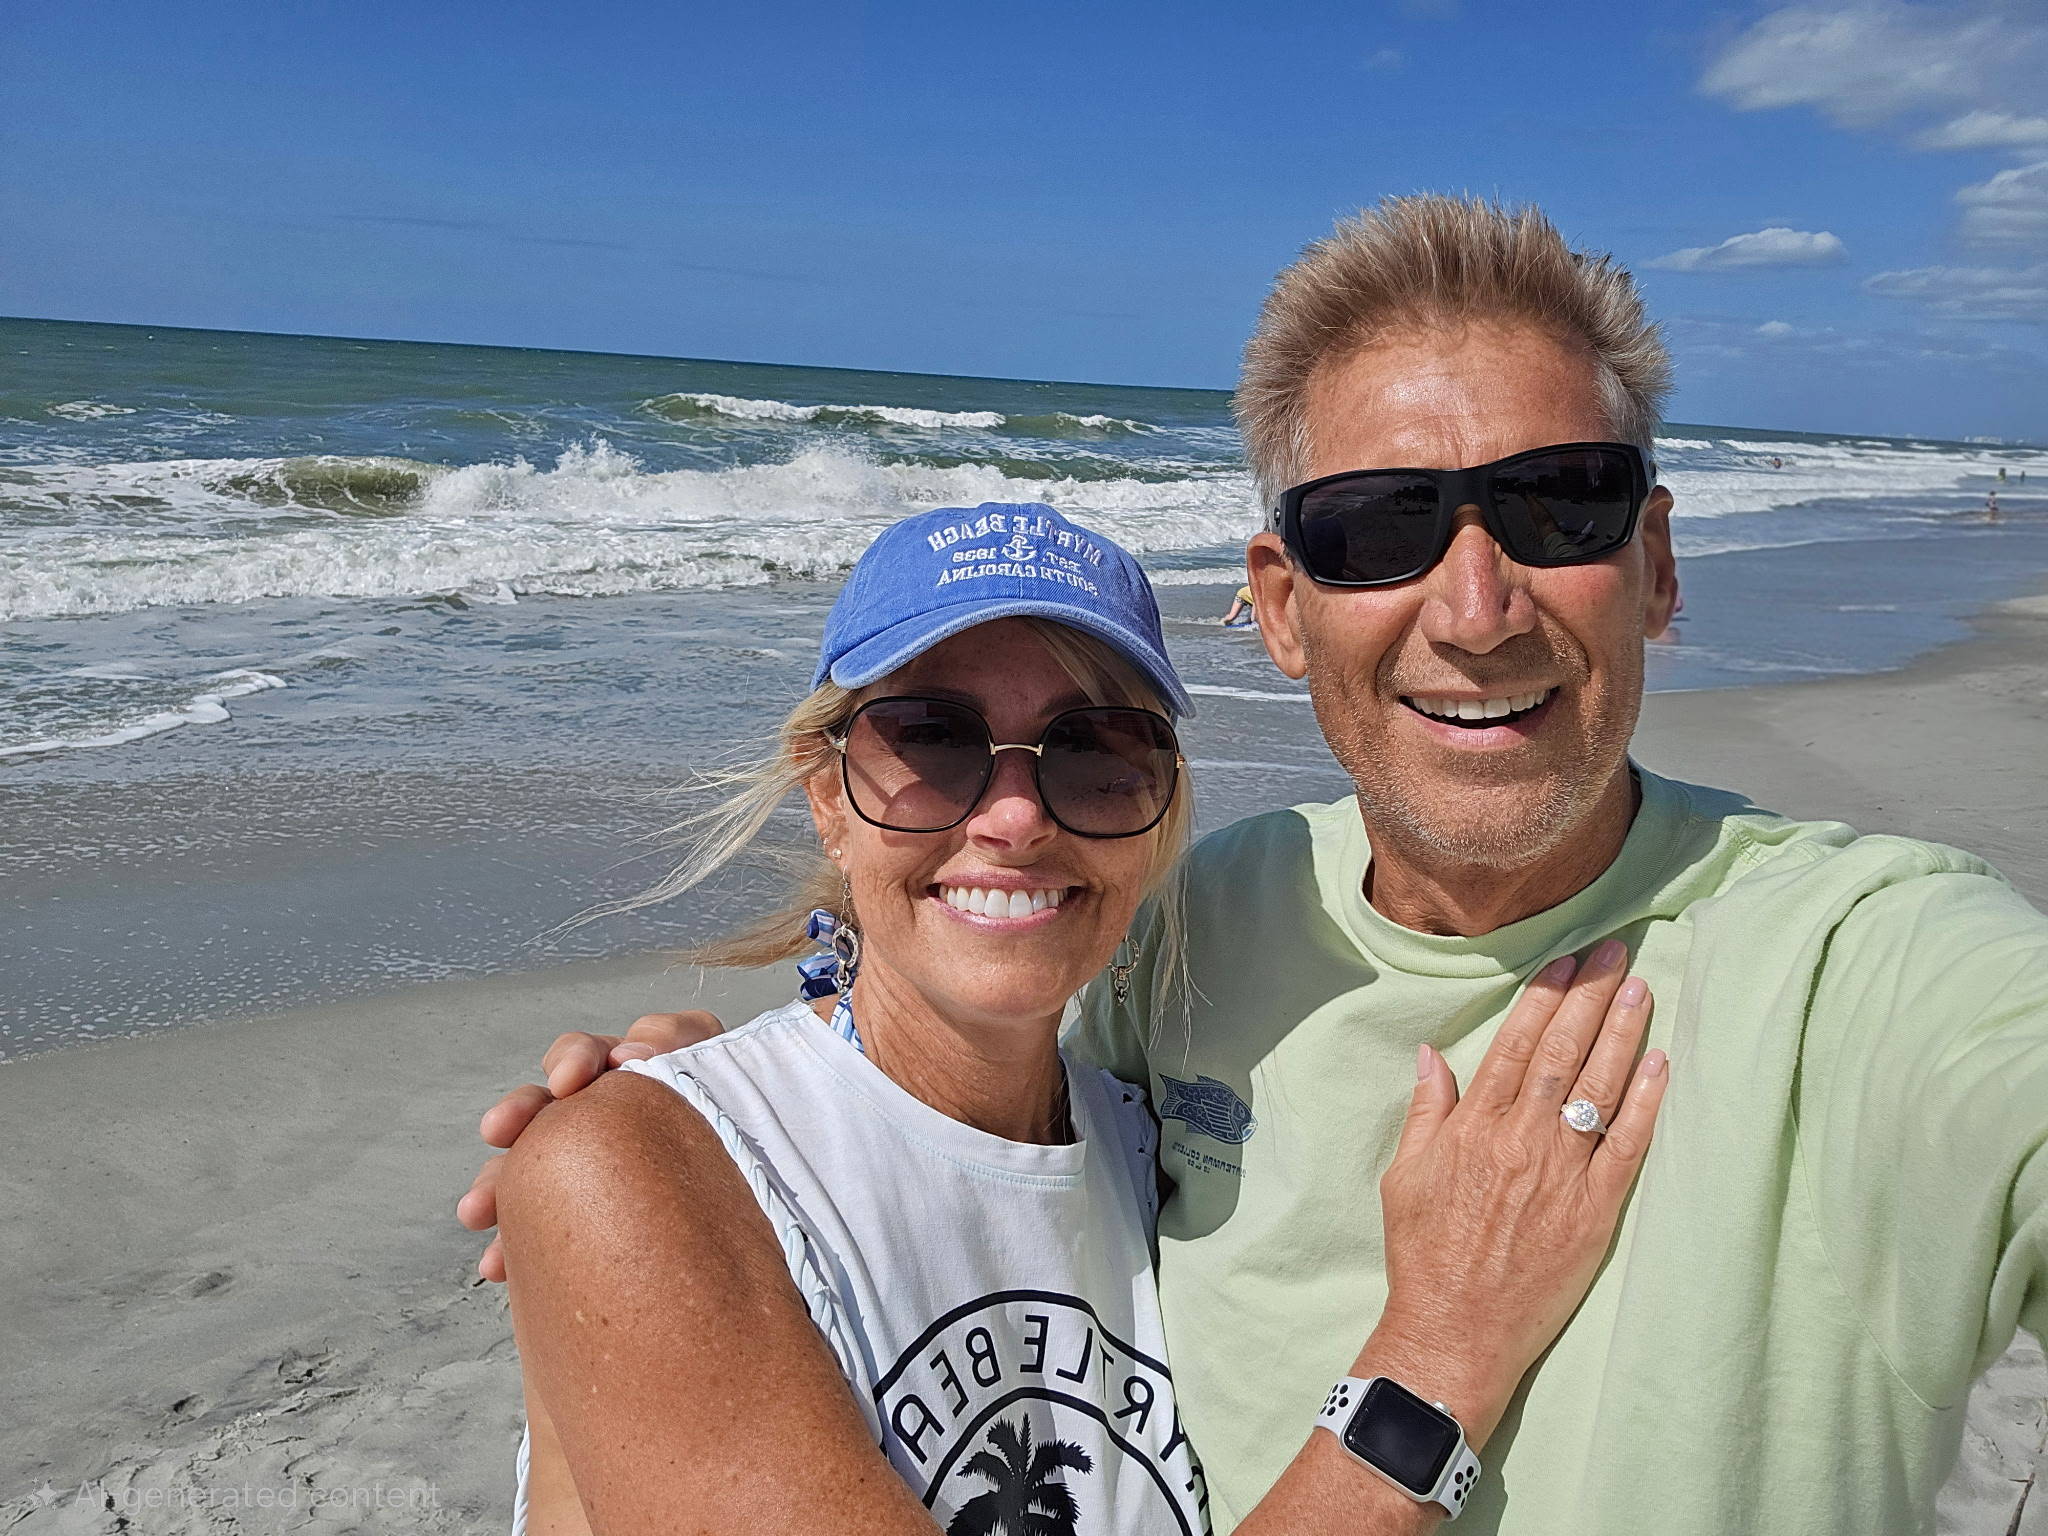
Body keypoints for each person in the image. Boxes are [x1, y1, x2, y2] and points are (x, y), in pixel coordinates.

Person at [469, 196, 2048, 1535]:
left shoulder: (1880, 967)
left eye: (1560, 505)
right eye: (1381, 528)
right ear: (1284, 607)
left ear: (1655, 565)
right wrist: (683, 1133)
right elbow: (893, 1107)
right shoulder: (1208, 940)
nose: (1478, 608)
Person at [492, 501, 1669, 1536]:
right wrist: (1441, 1354)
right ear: (828, 797)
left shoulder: (1149, 1143)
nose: (1013, 818)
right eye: (932, 738)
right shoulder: (639, 1167)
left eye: (1094, 752)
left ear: (1157, 812)